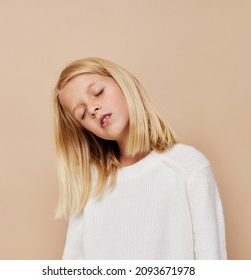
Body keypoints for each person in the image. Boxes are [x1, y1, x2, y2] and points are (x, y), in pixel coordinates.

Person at [53, 57, 227, 259]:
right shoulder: (90, 185)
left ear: (123, 82)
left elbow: (211, 259)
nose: (92, 109)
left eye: (98, 92)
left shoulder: (187, 167)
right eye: (82, 113)